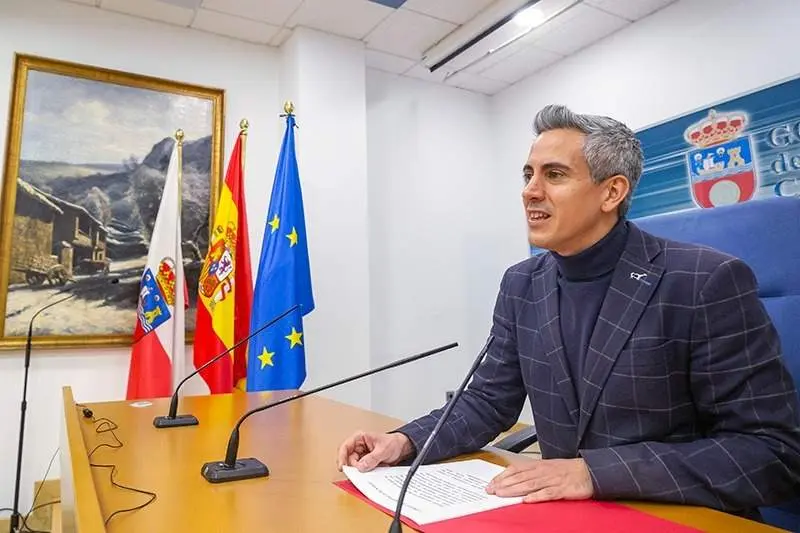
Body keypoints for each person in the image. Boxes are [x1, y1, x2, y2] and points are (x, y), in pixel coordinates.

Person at [336, 104, 800, 517]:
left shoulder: (704, 281)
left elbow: (770, 453)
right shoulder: (522, 283)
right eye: (527, 175)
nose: (530, 192)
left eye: (554, 175)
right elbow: (487, 402)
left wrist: (594, 473)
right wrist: (407, 441)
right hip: (562, 517)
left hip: (671, 515)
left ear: (611, 192)